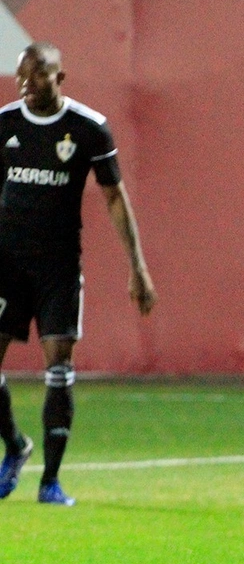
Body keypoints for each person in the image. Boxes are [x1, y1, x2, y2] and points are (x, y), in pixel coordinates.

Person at [0, 42, 156, 506]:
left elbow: (114, 198)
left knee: (58, 368)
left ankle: (50, 481)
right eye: (21, 76)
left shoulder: (88, 128)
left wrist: (137, 267)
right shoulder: (5, 124)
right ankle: (16, 446)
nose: (27, 85)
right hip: (6, 266)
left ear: (60, 77)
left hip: (58, 270)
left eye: (37, 75)